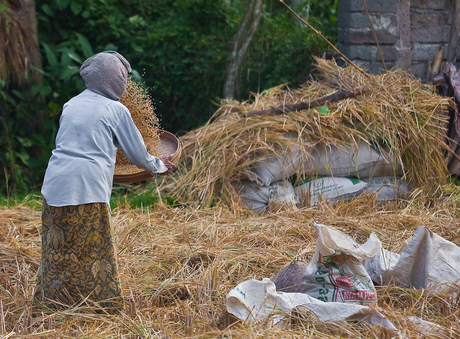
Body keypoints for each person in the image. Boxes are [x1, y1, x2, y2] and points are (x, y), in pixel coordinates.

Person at [33, 51, 176, 312]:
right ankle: (101, 310)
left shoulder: (71, 104)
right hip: (87, 191)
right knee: (94, 253)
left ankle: (52, 307)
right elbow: (137, 154)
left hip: (54, 186)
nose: (124, 83)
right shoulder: (116, 109)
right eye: (122, 77)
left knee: (58, 252)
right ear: (111, 80)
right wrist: (159, 165)